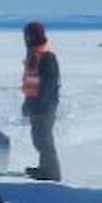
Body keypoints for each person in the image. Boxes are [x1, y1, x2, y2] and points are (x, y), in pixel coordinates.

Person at [21, 21, 63, 181]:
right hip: (35, 104)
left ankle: (52, 173)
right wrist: (27, 103)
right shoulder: (34, 54)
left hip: (45, 105)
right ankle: (44, 168)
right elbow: (32, 82)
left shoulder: (47, 57)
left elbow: (49, 85)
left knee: (44, 138)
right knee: (38, 137)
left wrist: (39, 106)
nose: (26, 39)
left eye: (28, 35)